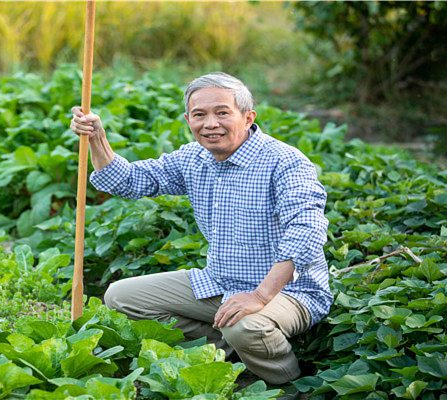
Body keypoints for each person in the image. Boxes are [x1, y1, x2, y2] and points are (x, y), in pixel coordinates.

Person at [69, 72, 332, 385]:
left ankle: (288, 382)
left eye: (222, 112)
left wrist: (260, 296)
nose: (210, 124)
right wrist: (97, 138)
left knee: (244, 326)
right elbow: (129, 181)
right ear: (188, 119)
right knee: (121, 297)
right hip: (220, 281)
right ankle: (236, 358)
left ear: (248, 117)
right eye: (200, 115)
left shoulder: (285, 162)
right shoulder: (194, 158)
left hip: (289, 291)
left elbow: (307, 233)